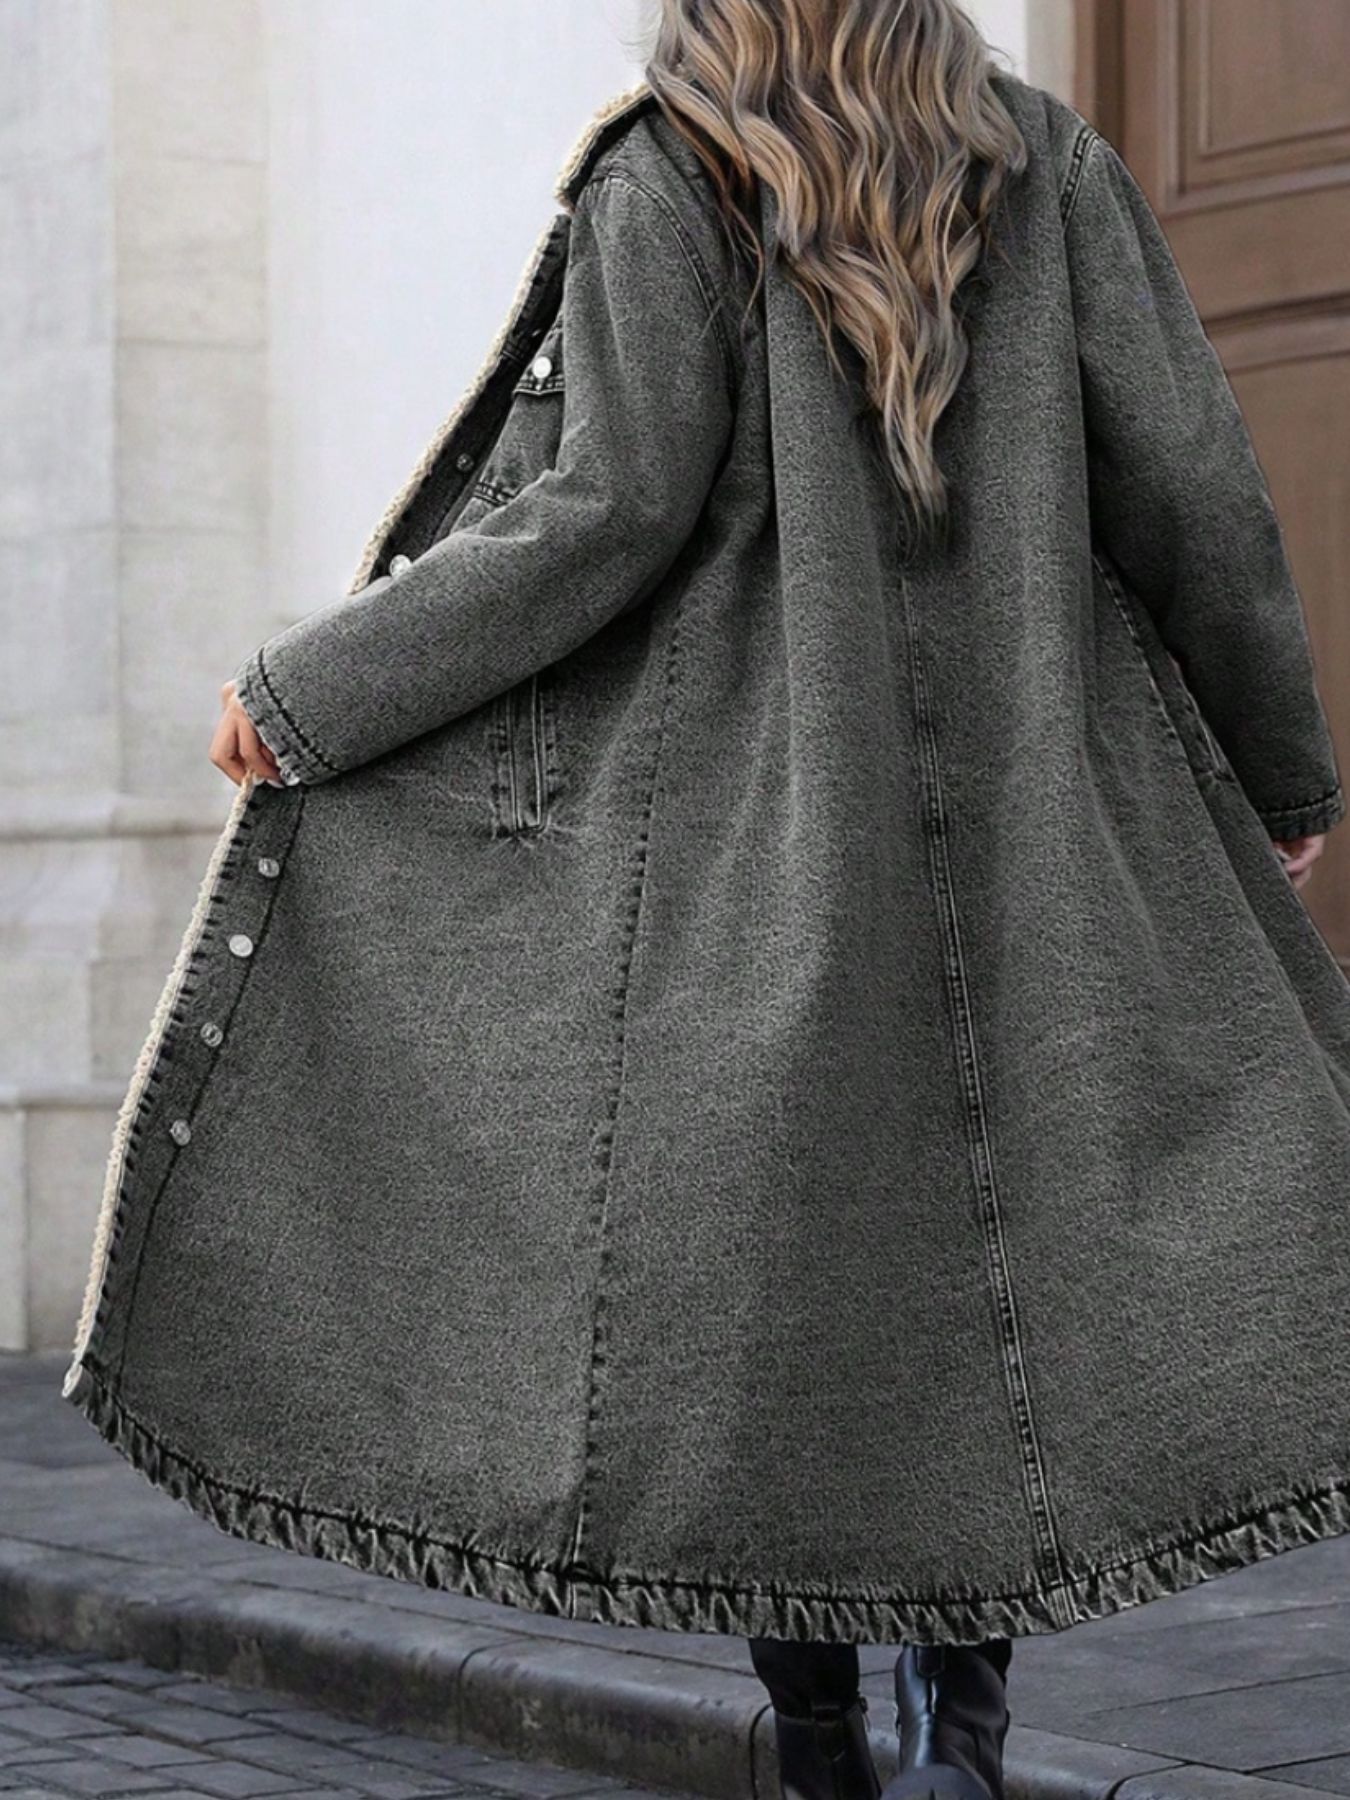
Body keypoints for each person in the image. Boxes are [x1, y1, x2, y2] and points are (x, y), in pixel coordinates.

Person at [68, 8, 1348, 1800]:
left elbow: (603, 510)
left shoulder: (674, 173)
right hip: (1040, 824)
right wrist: (1282, 776)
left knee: (777, 1286)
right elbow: (1195, 494)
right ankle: (958, 1734)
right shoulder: (1043, 164)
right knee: (990, 1271)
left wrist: (310, 692)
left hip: (750, 847)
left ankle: (816, 1740)